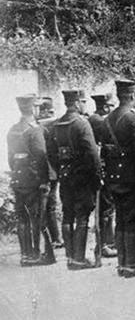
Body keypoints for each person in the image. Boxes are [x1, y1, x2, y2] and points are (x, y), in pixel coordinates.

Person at [101, 79, 135, 278]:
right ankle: (131, 263)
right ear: (132, 96)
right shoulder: (134, 117)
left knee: (121, 219)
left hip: (114, 176)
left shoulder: (107, 119)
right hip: (132, 176)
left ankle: (122, 263)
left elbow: (105, 151)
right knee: (132, 219)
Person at [47, 90, 101, 270]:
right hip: (82, 177)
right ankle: (79, 259)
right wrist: (97, 176)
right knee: (82, 215)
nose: (85, 105)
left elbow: (51, 153)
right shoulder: (81, 124)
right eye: (83, 102)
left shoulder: (56, 124)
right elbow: (92, 154)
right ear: (77, 103)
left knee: (68, 215)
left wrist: (61, 168)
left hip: (65, 176)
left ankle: (70, 258)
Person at [8, 94, 55, 266]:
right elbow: (42, 156)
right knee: (37, 217)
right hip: (34, 180)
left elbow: (10, 159)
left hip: (18, 179)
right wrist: (45, 180)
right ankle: (36, 255)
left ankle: (25, 255)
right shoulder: (35, 129)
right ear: (33, 108)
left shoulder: (12, 129)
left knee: (22, 218)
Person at [88, 93, 118, 258]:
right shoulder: (99, 121)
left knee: (108, 206)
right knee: (105, 207)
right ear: (106, 107)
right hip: (103, 168)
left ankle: (108, 242)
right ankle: (104, 244)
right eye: (112, 106)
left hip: (104, 167)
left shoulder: (96, 119)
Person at [36, 97, 63, 249]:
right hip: (51, 171)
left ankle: (49, 241)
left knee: (43, 208)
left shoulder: (40, 126)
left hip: (43, 172)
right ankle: (55, 238)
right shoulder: (53, 125)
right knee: (50, 207)